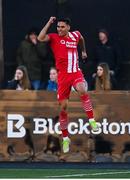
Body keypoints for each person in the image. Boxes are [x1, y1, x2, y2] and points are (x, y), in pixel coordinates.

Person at [38, 17, 98, 153]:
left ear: (68, 27)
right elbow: (41, 38)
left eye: (62, 27)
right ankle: (65, 138)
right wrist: (49, 22)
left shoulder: (75, 35)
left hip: (75, 72)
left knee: (82, 89)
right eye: (58, 27)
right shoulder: (54, 37)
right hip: (63, 76)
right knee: (63, 108)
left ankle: (92, 120)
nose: (59, 29)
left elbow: (82, 39)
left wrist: (83, 51)